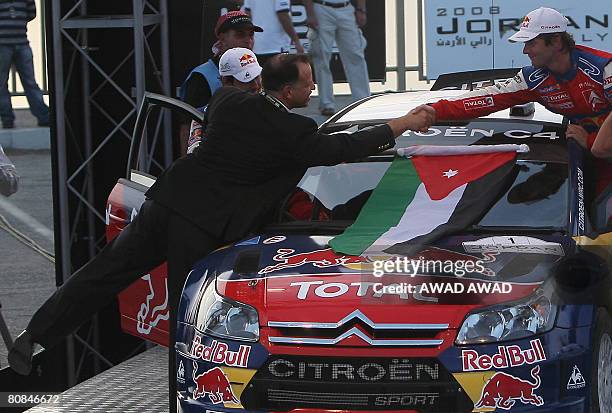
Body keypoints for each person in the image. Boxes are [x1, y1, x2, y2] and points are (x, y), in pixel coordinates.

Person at [8, 53, 434, 409]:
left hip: (165, 202)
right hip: (203, 226)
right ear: (287, 92)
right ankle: (183, 400)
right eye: (307, 85)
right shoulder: (296, 132)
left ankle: (35, 334)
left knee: (105, 271)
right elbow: (345, 148)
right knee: (185, 319)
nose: (312, 91)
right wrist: (403, 123)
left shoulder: (227, 101)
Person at [418, 7, 611, 191]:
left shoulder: (604, 69)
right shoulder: (534, 79)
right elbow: (488, 98)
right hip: (595, 162)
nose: (525, 51)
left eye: (531, 43)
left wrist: (591, 141)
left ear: (557, 42)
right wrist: (434, 111)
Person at [179, 10, 263, 109]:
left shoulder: (258, 68)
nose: (248, 40)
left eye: (251, 35)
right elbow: (188, 122)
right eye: (240, 35)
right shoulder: (201, 76)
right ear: (222, 39)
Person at [186, 47, 262, 154]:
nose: (256, 85)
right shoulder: (205, 116)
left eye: (257, 76)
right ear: (226, 81)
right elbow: (194, 153)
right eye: (247, 79)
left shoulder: (271, 109)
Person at [304, 0, 370, 116]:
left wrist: (361, 10)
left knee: (355, 56)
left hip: (346, 8)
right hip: (321, 7)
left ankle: (362, 100)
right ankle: (326, 103)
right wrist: (310, 14)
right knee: (322, 58)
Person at [0, 0, 49, 128]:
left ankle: (8, 119)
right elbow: (31, 14)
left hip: (10, 42)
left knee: (6, 83)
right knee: (29, 82)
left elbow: (31, 13)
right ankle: (42, 116)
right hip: (19, 41)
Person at [243, 0, 304, 67]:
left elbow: (248, 14)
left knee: (263, 76)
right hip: (276, 45)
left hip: (258, 46)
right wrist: (296, 40)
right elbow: (283, 15)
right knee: (279, 76)